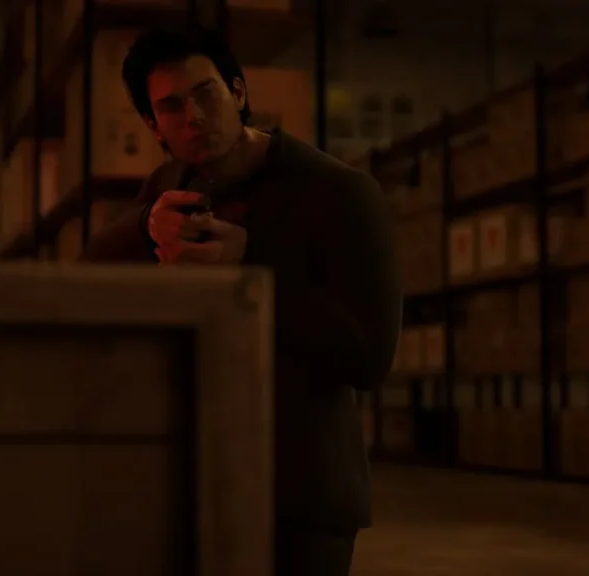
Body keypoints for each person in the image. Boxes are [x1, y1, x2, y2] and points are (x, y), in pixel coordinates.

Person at [81, 27, 401, 575]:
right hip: (199, 473)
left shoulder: (340, 192)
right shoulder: (171, 182)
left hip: (301, 493)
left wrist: (251, 272)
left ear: (238, 92)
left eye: (206, 93)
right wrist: (146, 224)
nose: (194, 117)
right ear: (154, 126)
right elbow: (92, 267)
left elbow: (370, 357)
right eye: (172, 106)